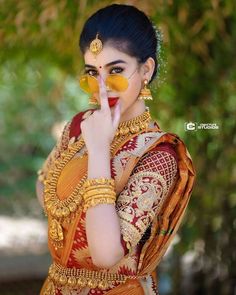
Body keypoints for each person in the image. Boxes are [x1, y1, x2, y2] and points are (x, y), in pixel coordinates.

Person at [36, 4, 196, 295]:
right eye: (91, 73)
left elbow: (106, 255)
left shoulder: (158, 154)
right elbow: (45, 187)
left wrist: (99, 152)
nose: (102, 87)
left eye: (116, 70)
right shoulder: (80, 126)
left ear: (146, 69)